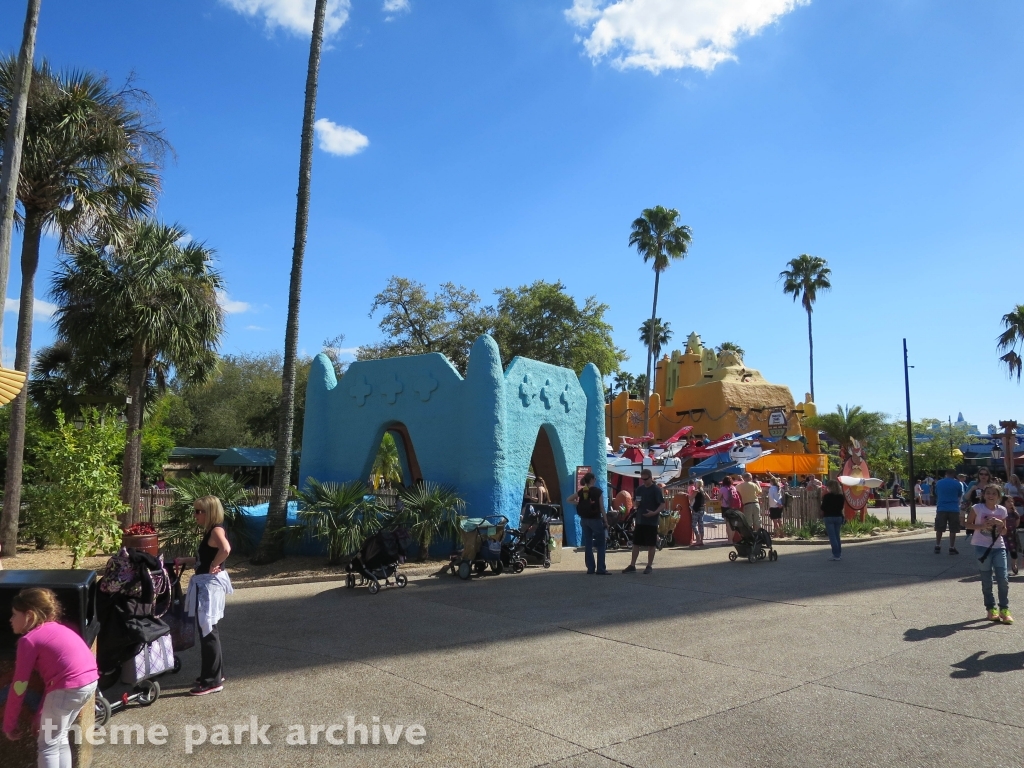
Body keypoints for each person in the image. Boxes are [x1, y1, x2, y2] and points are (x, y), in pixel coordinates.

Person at [3, 588, 99, 768]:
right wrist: (40, 714)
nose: (11, 619)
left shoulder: (29, 641)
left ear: (29, 616)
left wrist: (9, 723)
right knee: (58, 738)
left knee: (47, 745)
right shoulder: (59, 630)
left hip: (67, 688)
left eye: (15, 614)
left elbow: (19, 685)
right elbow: (54, 681)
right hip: (88, 683)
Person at [175, 495, 233, 695]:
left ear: (210, 512)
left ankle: (212, 681)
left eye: (199, 511)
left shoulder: (216, 530)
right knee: (208, 630)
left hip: (208, 587)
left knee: (207, 631)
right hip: (206, 585)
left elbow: (225, 549)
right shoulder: (212, 530)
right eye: (195, 511)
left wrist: (215, 564)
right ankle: (215, 673)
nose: (195, 515)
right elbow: (205, 556)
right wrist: (187, 559)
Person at [965, 483, 1012, 624]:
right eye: (988, 493)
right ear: (983, 495)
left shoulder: (1002, 510)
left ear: (999, 496)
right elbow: (967, 525)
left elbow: (1004, 532)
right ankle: (991, 609)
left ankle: (1004, 609)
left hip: (999, 547)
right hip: (981, 547)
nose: (991, 496)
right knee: (987, 580)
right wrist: (981, 526)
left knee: (1003, 579)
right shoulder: (977, 508)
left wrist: (1000, 523)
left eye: (994, 494)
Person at [623, 469, 664, 574]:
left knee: (651, 544)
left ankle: (649, 566)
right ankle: (632, 565)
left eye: (646, 479)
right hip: (640, 520)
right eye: (642, 479)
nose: (644, 481)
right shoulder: (640, 489)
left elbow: (662, 505)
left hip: (651, 521)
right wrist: (636, 504)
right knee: (636, 543)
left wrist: (654, 513)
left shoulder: (656, 489)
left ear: (651, 477)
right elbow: (636, 502)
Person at [568, 473, 607, 575]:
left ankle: (590, 568)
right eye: (595, 478)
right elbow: (602, 508)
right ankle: (601, 569)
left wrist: (579, 503)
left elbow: (568, 499)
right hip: (595, 519)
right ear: (592, 480)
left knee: (588, 543)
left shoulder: (582, 491)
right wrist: (606, 521)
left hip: (584, 520)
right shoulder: (598, 491)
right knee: (601, 544)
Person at [933, 468, 965, 555]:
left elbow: (936, 493)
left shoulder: (939, 483)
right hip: (953, 508)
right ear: (954, 474)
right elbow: (959, 494)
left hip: (941, 508)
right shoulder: (957, 484)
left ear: (946, 474)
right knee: (953, 529)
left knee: (939, 528)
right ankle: (951, 547)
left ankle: (937, 545)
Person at [821, 479, 845, 561]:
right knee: (837, 536)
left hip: (829, 516)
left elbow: (823, 507)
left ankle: (836, 554)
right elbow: (841, 507)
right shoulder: (841, 496)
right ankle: (839, 553)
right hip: (838, 516)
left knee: (832, 537)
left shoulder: (827, 497)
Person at [690, 479, 708, 546]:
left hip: (696, 509)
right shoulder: (703, 491)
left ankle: (698, 539)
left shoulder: (696, 491)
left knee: (693, 525)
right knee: (701, 525)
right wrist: (704, 503)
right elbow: (708, 498)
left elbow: (690, 498)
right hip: (702, 509)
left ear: (697, 484)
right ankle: (701, 540)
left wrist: (685, 494)